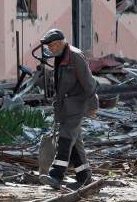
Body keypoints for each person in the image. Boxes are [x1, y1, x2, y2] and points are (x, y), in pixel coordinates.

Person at [39, 28, 99, 190]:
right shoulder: (60, 57)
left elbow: (89, 84)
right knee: (75, 142)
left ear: (59, 44)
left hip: (77, 105)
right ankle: (84, 176)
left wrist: (94, 105)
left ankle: (56, 175)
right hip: (66, 107)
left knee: (65, 139)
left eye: (51, 46)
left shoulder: (75, 56)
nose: (50, 50)